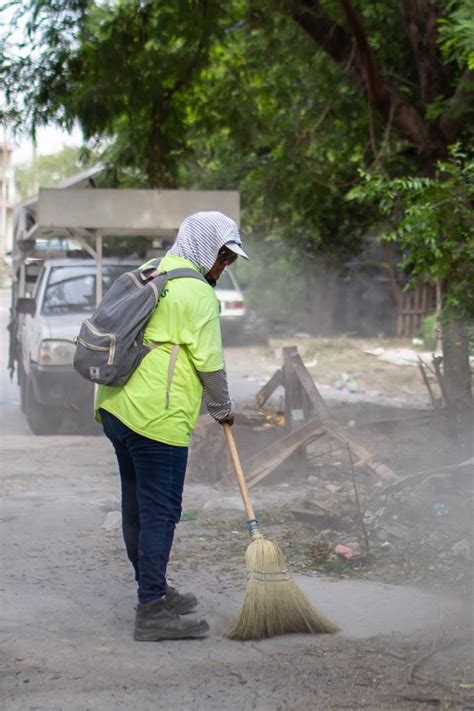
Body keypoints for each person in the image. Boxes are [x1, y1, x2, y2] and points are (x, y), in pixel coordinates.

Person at [95, 211, 249, 641]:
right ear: (203, 248)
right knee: (161, 509)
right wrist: (223, 410)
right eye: (222, 258)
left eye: (228, 262)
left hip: (114, 406)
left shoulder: (150, 272)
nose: (222, 268)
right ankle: (151, 610)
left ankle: (155, 590)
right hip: (155, 417)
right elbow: (211, 366)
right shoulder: (197, 293)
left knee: (137, 505)